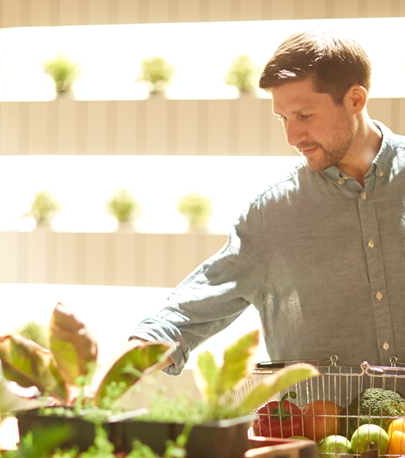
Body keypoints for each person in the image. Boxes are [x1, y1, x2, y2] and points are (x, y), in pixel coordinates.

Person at [125, 29, 405, 375]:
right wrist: (120, 366)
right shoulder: (271, 214)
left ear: (355, 100)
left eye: (305, 115)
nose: (292, 137)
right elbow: (186, 314)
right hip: (311, 430)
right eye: (283, 119)